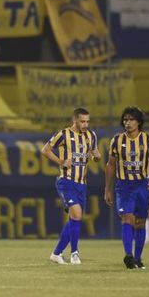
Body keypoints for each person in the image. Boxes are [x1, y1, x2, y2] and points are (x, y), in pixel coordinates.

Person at [42, 108, 101, 265]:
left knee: (76, 218)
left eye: (88, 121)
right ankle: (74, 253)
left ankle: (56, 253)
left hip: (82, 184)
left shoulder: (91, 135)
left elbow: (94, 151)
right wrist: (61, 162)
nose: (85, 124)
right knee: (77, 214)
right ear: (75, 120)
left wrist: (97, 156)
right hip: (66, 181)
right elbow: (45, 150)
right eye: (82, 121)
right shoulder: (63, 134)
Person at [104, 106, 149, 270]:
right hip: (124, 186)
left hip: (142, 185)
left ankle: (137, 258)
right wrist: (107, 189)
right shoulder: (116, 140)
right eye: (125, 119)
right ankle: (128, 256)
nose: (127, 123)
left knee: (141, 222)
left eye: (131, 120)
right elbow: (110, 165)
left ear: (139, 122)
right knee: (127, 218)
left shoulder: (147, 140)